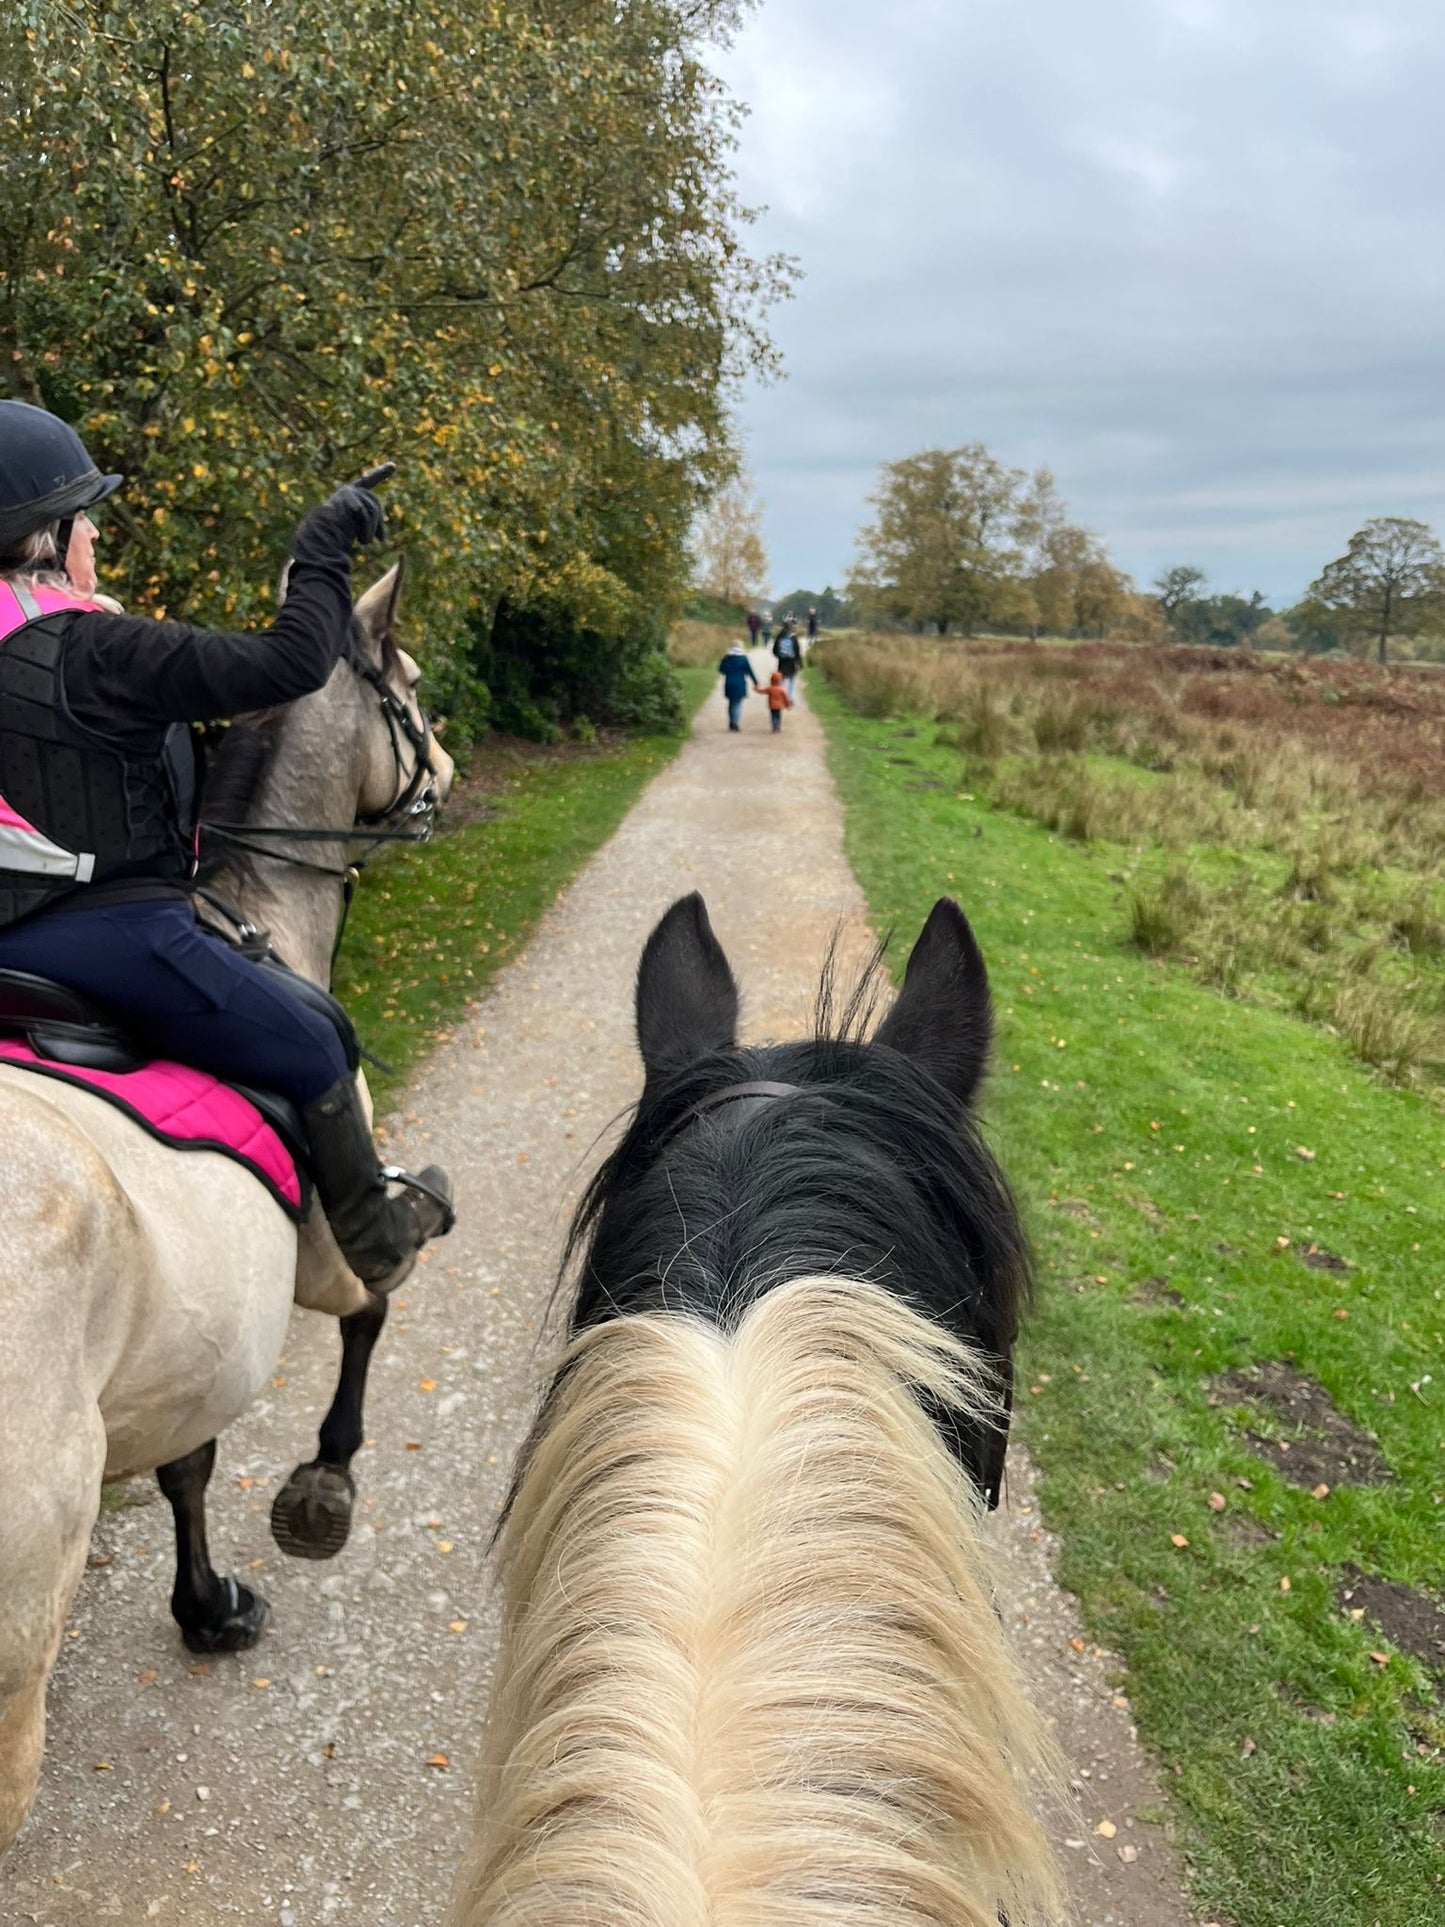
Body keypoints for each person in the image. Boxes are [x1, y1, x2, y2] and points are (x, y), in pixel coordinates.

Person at [0, 399, 453, 1293]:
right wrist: (322, 549)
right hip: (106, 929)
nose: (94, 531)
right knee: (317, 1037)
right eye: (84, 514)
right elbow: (289, 667)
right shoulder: (94, 648)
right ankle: (374, 1241)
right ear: (47, 534)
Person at [717, 640, 759, 730]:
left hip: (729, 683)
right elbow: (750, 672)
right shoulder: (743, 659)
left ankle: (732, 721)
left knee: (731, 703)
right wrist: (756, 682)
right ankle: (736, 722)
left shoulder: (726, 658)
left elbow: (721, 670)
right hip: (740, 683)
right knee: (738, 703)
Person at [773, 620, 801, 702]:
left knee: (782, 680)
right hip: (792, 663)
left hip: (782, 662)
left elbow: (774, 650)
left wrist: (780, 656)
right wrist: (799, 662)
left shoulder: (779, 637)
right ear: (791, 628)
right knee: (792, 680)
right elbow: (797, 651)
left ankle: (781, 697)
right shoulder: (793, 637)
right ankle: (790, 697)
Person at [762, 668, 793, 734]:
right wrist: (787, 705)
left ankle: (774, 726)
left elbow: (763, 691)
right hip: (779, 706)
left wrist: (757, 689)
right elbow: (785, 698)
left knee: (773, 716)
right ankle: (778, 726)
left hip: (772, 706)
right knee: (778, 716)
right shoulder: (781, 689)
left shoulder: (770, 688)